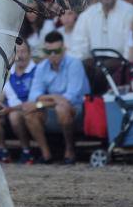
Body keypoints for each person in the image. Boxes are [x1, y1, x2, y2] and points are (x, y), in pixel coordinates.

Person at [22, 31, 90, 164]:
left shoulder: (74, 64)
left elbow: (69, 98)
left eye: (56, 50)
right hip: (53, 109)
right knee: (30, 114)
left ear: (64, 48)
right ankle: (46, 154)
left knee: (62, 108)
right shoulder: (41, 67)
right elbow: (34, 96)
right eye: (49, 52)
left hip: (78, 110)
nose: (52, 55)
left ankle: (70, 150)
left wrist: (41, 102)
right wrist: (53, 98)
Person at [0, 42, 36, 164]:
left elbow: (32, 101)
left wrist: (8, 109)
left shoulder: (36, 71)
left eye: (24, 52)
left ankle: (26, 151)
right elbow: (2, 95)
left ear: (30, 54)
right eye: (17, 52)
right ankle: (2, 151)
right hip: (11, 109)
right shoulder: (9, 72)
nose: (20, 56)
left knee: (14, 117)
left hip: (31, 109)